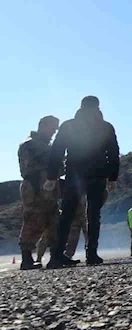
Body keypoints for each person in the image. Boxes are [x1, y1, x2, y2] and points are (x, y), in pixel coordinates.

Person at [47, 96, 120, 268]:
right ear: (98, 107)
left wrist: (52, 176)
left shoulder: (69, 125)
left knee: (66, 215)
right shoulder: (105, 127)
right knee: (94, 215)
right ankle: (92, 254)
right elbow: (113, 153)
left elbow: (56, 151)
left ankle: (57, 256)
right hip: (97, 175)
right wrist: (113, 177)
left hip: (74, 174)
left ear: (81, 106)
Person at [18, 116, 63, 270]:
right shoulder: (30, 144)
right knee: (33, 221)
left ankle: (55, 256)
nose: (53, 132)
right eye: (52, 128)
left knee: (54, 221)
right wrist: (52, 165)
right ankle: (27, 259)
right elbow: (28, 167)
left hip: (49, 190)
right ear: (43, 126)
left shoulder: (45, 145)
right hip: (35, 188)